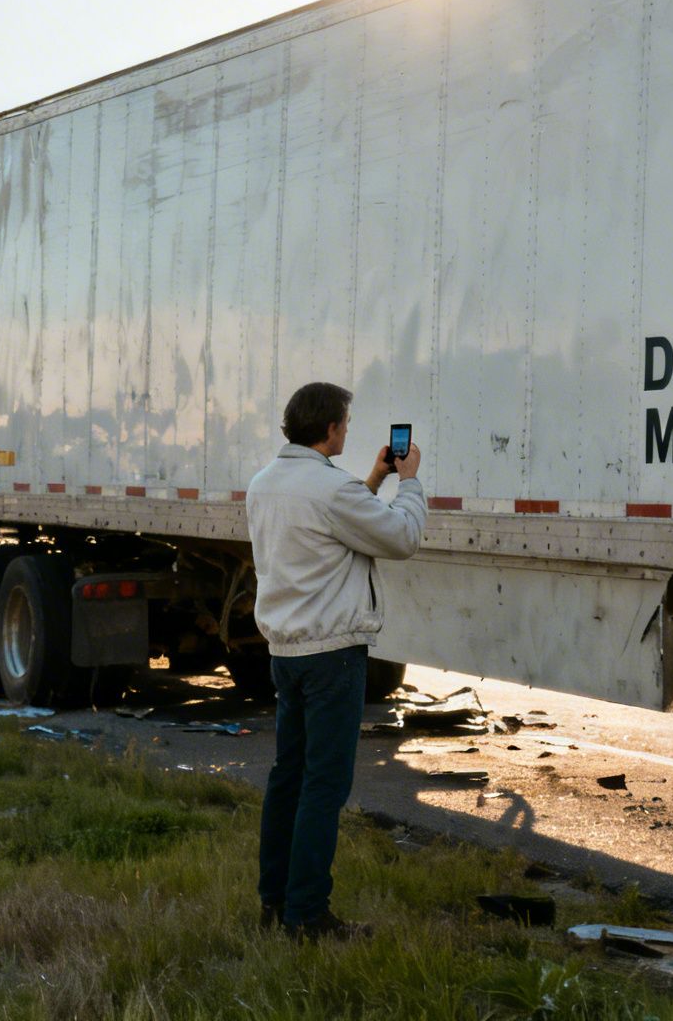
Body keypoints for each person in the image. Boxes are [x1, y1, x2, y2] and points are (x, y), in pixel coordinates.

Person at [246, 381, 425, 940]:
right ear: (329, 428)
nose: (348, 430)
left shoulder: (265, 483)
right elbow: (399, 538)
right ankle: (309, 915)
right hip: (332, 658)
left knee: (287, 779)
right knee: (324, 787)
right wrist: (410, 481)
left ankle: (274, 904)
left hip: (286, 653)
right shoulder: (330, 490)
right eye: (345, 423)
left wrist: (373, 480)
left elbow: (336, 523)